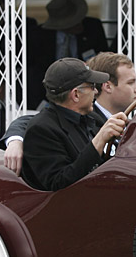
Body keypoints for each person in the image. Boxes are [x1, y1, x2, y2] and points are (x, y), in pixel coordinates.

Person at [21, 58, 126, 191]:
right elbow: (59, 183)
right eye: (92, 86)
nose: (96, 92)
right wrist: (99, 140)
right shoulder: (42, 129)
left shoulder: (92, 117)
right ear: (76, 94)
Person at [27, 0, 109, 108]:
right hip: (49, 94)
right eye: (73, 22)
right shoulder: (39, 35)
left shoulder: (92, 27)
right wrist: (40, 104)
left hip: (88, 88)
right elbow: (32, 72)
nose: (79, 24)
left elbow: (105, 59)